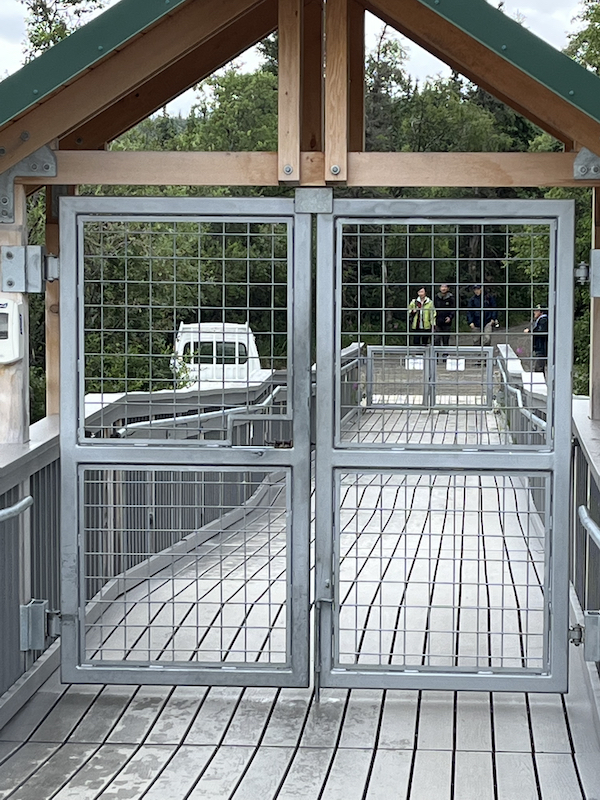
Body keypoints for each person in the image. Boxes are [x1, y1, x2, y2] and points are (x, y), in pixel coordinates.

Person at [524, 305, 548, 373]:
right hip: (540, 347)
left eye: (536, 311)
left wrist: (530, 331)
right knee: (538, 367)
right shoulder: (541, 320)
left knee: (539, 368)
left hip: (541, 347)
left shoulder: (544, 320)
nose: (534, 312)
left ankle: (540, 382)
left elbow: (540, 332)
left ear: (541, 312)